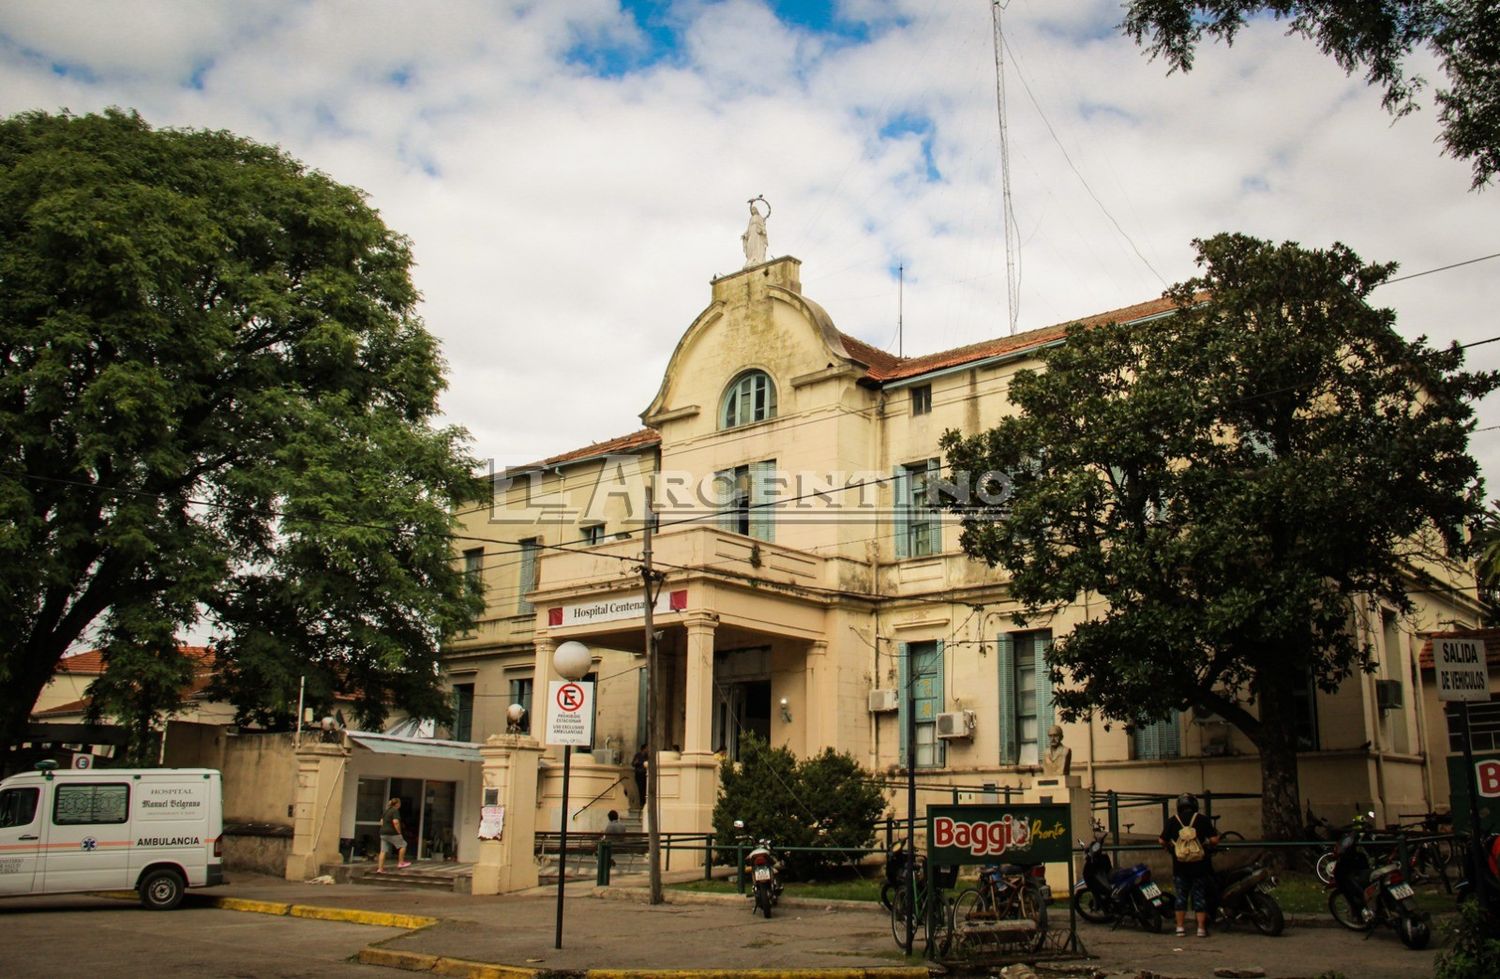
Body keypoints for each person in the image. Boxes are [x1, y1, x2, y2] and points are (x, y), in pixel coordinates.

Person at [1159, 792, 1218, 937]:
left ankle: (1180, 927)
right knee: (1199, 896)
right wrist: (1206, 843)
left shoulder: (1173, 820)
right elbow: (1215, 839)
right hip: (1200, 865)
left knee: (1181, 896)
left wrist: (1171, 847)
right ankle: (1201, 928)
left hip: (1180, 866)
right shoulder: (1202, 819)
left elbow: (1161, 840)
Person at [377, 797, 411, 872]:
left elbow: (381, 822)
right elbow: (396, 822)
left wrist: (384, 828)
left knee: (383, 851)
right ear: (397, 804)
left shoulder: (386, 811)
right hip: (392, 832)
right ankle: (401, 862)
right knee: (403, 845)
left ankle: (380, 869)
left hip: (383, 833)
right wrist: (399, 832)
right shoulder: (395, 811)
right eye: (400, 803)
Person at [631, 744, 648, 809]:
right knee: (640, 789)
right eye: (647, 748)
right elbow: (633, 764)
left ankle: (644, 803)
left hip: (645, 774)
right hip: (639, 774)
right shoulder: (638, 755)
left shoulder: (648, 756)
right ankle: (642, 803)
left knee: (645, 789)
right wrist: (636, 762)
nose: (648, 750)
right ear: (644, 749)